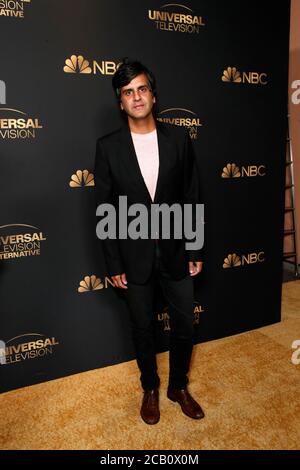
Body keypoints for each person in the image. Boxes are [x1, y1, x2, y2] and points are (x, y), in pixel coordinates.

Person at [94, 58, 204, 425]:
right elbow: (105, 208)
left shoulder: (179, 138)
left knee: (185, 324)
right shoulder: (108, 147)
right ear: (120, 102)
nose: (136, 97)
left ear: (153, 96)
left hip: (176, 252)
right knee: (142, 328)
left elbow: (192, 195)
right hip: (133, 255)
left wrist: (195, 246)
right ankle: (151, 388)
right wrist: (113, 263)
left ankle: (178, 387)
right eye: (128, 92)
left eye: (142, 89)